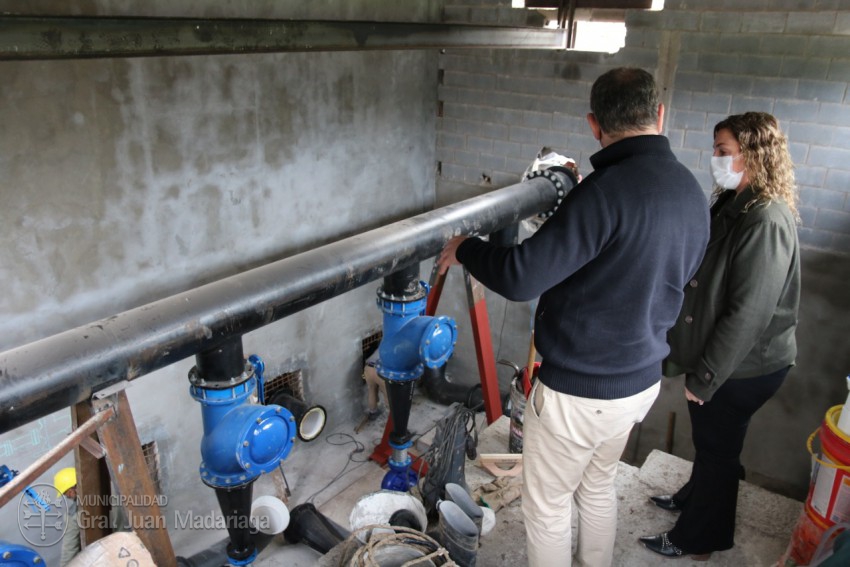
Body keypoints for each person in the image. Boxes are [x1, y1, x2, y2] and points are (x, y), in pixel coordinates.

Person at [437, 67, 709, 567]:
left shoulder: (603, 193)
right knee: (598, 485)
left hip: (579, 393)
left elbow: (521, 277)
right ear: (661, 114)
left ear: (592, 124)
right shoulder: (691, 191)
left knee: (549, 507)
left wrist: (468, 249)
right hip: (640, 384)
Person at [639, 112, 801, 560]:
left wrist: (706, 376)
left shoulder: (766, 218)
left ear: (753, 154)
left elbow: (748, 313)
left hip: (745, 366)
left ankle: (699, 536)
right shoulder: (737, 201)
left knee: (718, 451)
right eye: (716, 150)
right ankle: (695, 498)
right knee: (712, 444)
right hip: (730, 361)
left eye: (724, 152)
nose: (716, 159)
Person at [54, 467, 81, 566]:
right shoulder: (111, 489)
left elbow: (69, 549)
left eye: (65, 494)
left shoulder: (73, 515)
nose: (68, 496)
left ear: (70, 491)